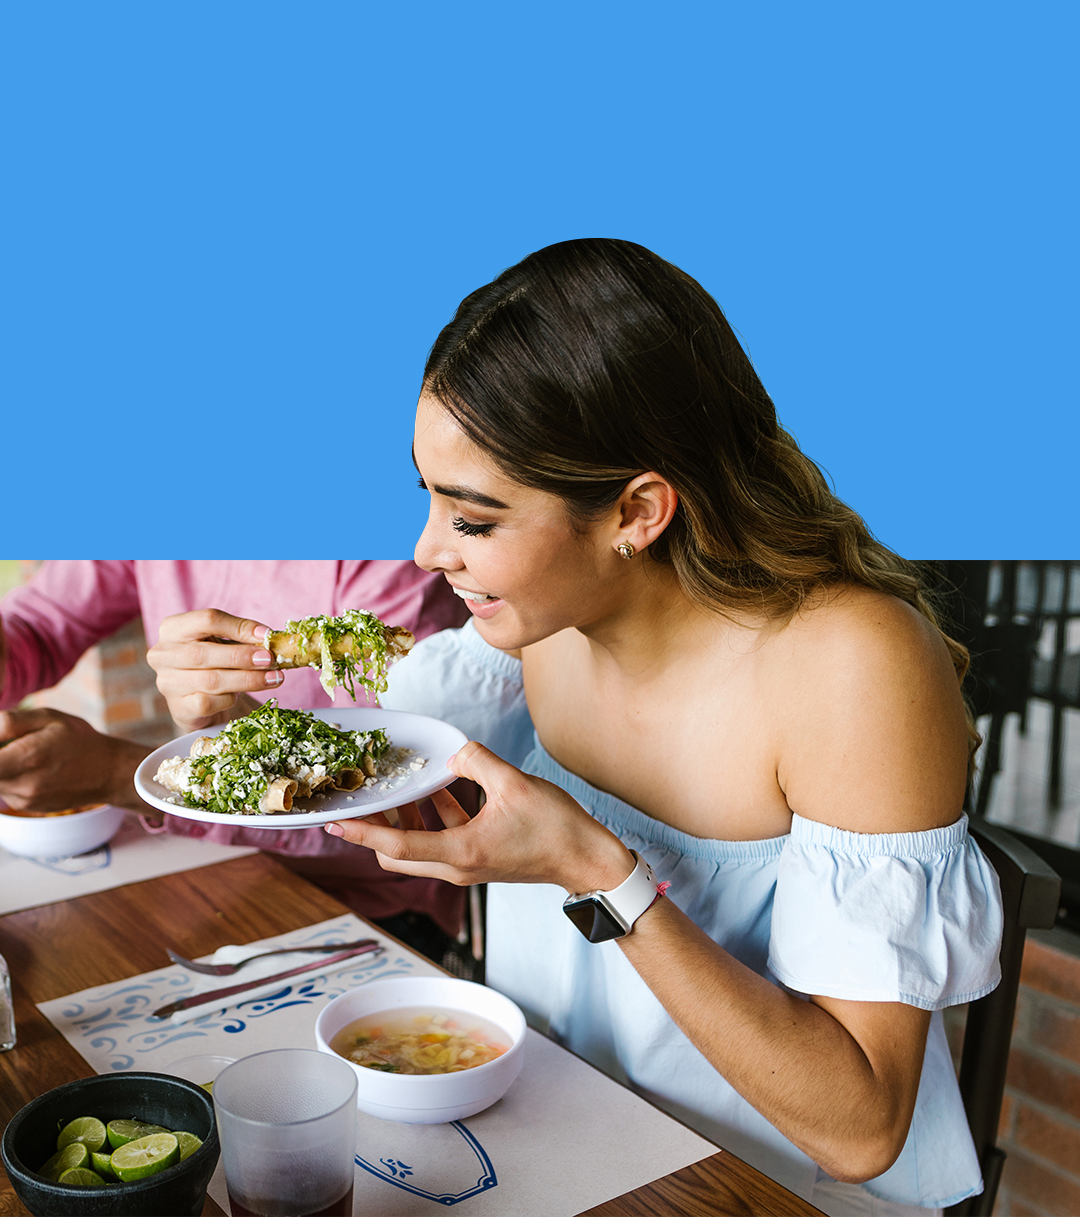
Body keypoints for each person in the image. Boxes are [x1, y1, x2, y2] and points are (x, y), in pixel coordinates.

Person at [148, 244, 1002, 1216]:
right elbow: (373, 781)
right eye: (428, 496)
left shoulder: (853, 665)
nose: (428, 552)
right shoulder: (540, 625)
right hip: (558, 1132)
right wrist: (236, 733)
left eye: (473, 519)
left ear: (636, 510)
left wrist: (601, 873)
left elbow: (860, 1128)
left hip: (754, 1186)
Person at [0, 560, 466, 952]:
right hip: (212, 870)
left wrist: (119, 775)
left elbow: (411, 808)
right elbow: (37, 626)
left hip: (372, 908)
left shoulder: (394, 557)